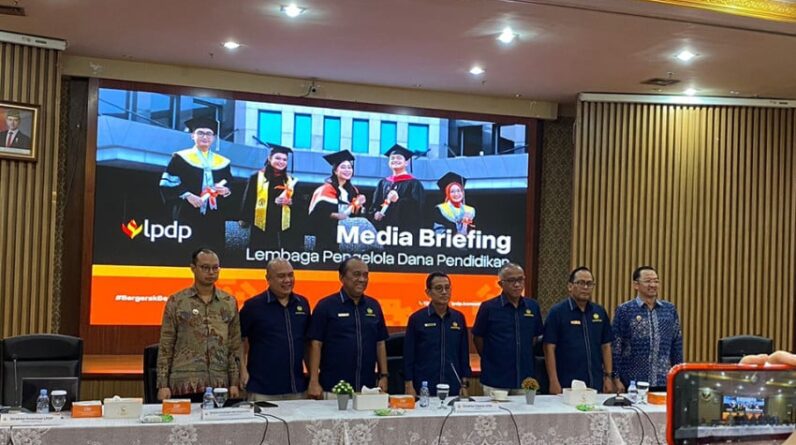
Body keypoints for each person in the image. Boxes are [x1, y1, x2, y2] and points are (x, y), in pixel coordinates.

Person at [156, 248, 241, 402]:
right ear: (193, 268)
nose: (211, 272)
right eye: (205, 267)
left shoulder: (228, 302)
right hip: (184, 383)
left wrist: (234, 382)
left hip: (220, 384)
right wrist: (163, 384)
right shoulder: (177, 301)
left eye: (215, 268)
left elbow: (234, 345)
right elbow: (166, 345)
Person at [307, 258, 389, 398]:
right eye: (356, 274)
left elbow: (380, 343)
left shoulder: (374, 306)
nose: (362, 279)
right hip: (334, 388)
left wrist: (384, 376)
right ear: (341, 277)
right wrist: (313, 380)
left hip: (367, 389)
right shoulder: (326, 306)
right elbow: (315, 345)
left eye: (365, 275)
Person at [239, 259, 311, 401]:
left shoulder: (302, 303)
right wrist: (242, 370)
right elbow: (239, 340)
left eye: (290, 275)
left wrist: (313, 377)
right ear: (268, 279)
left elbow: (307, 344)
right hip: (262, 389)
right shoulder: (253, 306)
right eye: (281, 276)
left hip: (296, 388)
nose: (287, 280)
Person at [159, 117, 232, 252]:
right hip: (187, 211)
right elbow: (168, 182)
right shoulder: (180, 157)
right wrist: (187, 195)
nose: (205, 137)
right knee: (185, 250)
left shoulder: (223, 162)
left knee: (213, 249)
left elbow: (230, 182)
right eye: (200, 133)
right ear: (192, 135)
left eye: (209, 133)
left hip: (215, 215)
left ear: (214, 138)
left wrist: (226, 190)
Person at [472, 263, 543, 396]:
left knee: (525, 410)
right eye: (511, 280)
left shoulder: (533, 306)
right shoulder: (488, 307)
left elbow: (534, 338)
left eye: (520, 279)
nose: (517, 284)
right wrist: (492, 358)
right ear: (501, 284)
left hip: (525, 379)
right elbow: (478, 338)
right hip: (495, 378)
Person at [612, 266, 683, 392]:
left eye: (656, 281)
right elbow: (616, 346)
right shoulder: (625, 310)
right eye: (648, 281)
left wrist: (679, 375)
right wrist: (615, 378)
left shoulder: (669, 310)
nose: (653, 285)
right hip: (632, 381)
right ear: (636, 285)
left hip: (663, 380)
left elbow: (676, 344)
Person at [543, 267, 614, 394]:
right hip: (566, 382)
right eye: (581, 283)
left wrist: (608, 377)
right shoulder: (557, 312)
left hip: (595, 381)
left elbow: (606, 346)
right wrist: (553, 380)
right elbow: (549, 348)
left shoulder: (599, 312)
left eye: (589, 284)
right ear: (570, 286)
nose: (585, 287)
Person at [404, 272, 472, 397]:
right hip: (424, 385)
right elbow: (409, 355)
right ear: (428, 292)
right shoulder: (417, 319)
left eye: (447, 288)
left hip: (453, 385)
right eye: (439, 288)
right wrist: (409, 383)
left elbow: (463, 354)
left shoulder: (458, 318)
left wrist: (464, 384)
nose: (444, 292)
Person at [239, 143, 296, 249]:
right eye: (277, 158)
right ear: (269, 158)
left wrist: (290, 202)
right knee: (259, 252)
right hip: (260, 225)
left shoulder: (290, 181)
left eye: (284, 159)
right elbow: (248, 199)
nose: (281, 162)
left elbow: (298, 202)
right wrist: (244, 218)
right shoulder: (256, 177)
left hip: (283, 227)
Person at [308, 150, 367, 250]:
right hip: (326, 234)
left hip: (347, 236)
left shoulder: (353, 191)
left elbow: (354, 215)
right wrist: (337, 214)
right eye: (343, 167)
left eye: (349, 167)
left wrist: (360, 205)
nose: (347, 170)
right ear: (335, 171)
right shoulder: (325, 189)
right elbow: (318, 213)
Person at [370, 144, 425, 233]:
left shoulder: (414, 184)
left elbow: (418, 209)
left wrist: (398, 200)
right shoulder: (383, 183)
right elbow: (375, 205)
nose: (395, 160)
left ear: (406, 163)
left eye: (399, 158)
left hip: (404, 233)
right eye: (392, 158)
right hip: (384, 230)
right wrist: (376, 213)